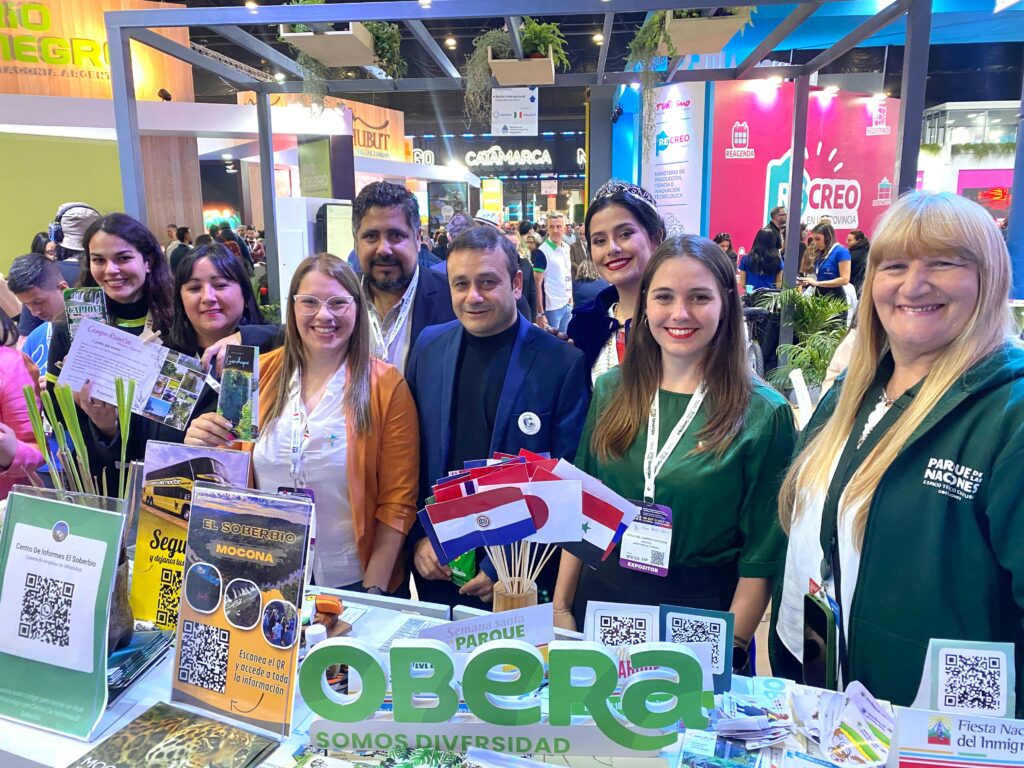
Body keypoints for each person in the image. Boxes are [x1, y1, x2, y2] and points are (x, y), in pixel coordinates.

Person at [771, 191, 1024, 708]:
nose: (914, 284)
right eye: (895, 265)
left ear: (989, 278)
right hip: (819, 684)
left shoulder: (1009, 416)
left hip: (930, 727)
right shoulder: (852, 393)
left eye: (944, 263)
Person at [553, 235, 796, 671]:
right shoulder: (612, 389)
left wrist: (731, 647)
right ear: (645, 304)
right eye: (664, 296)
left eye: (699, 297)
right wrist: (561, 606)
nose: (680, 314)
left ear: (725, 303)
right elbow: (583, 508)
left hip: (699, 612)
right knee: (600, 735)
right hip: (603, 600)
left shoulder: (764, 414)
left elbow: (760, 557)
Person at [187, 254, 419, 595]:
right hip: (262, 577)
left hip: (353, 580)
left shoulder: (385, 386)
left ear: (357, 307)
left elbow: (397, 502)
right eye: (309, 302)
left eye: (338, 303)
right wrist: (201, 442)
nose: (324, 315)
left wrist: (374, 592)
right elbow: (229, 472)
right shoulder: (254, 375)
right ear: (292, 308)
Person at [405, 225, 589, 609]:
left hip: (519, 577)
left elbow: (564, 478)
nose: (473, 297)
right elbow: (412, 458)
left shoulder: (562, 363)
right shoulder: (429, 346)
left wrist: (506, 564)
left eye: (487, 282)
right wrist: (420, 538)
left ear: (517, 283)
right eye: (461, 284)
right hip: (437, 569)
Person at [84, 243, 279, 469]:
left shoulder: (275, 354)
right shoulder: (162, 360)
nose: (208, 297)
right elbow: (137, 452)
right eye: (194, 288)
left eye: (220, 285)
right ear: (180, 299)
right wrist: (107, 425)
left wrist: (245, 336)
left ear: (245, 293)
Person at [566, 179, 666, 383]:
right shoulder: (584, 325)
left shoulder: (679, 319)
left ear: (656, 238)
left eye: (625, 234)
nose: (612, 248)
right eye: (600, 240)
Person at [354, 181, 456, 374]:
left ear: (418, 239)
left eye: (396, 236)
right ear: (356, 242)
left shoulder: (452, 300)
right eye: (371, 236)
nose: (383, 249)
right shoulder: (339, 301)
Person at [7, 254, 69, 372]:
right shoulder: (34, 339)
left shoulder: (92, 332)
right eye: (26, 304)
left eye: (39, 302)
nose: (34, 312)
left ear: (62, 289)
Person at [533, 213, 573, 333]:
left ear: (564, 228)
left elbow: (567, 274)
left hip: (567, 304)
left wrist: (571, 299)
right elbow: (537, 285)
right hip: (552, 308)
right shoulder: (542, 252)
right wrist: (540, 313)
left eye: (559, 226)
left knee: (564, 341)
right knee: (552, 344)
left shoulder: (566, 248)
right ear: (547, 229)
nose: (555, 230)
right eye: (552, 227)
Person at [799, 221, 851, 300]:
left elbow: (845, 279)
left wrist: (818, 283)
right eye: (814, 239)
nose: (815, 243)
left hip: (835, 300)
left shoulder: (841, 251)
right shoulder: (820, 252)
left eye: (818, 239)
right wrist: (809, 281)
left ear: (828, 237)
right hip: (819, 297)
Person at [846, 229, 870, 295]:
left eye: (849, 240)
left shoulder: (850, 255)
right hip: (866, 287)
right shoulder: (869, 251)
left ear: (858, 241)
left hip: (854, 288)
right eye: (847, 240)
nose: (846, 242)